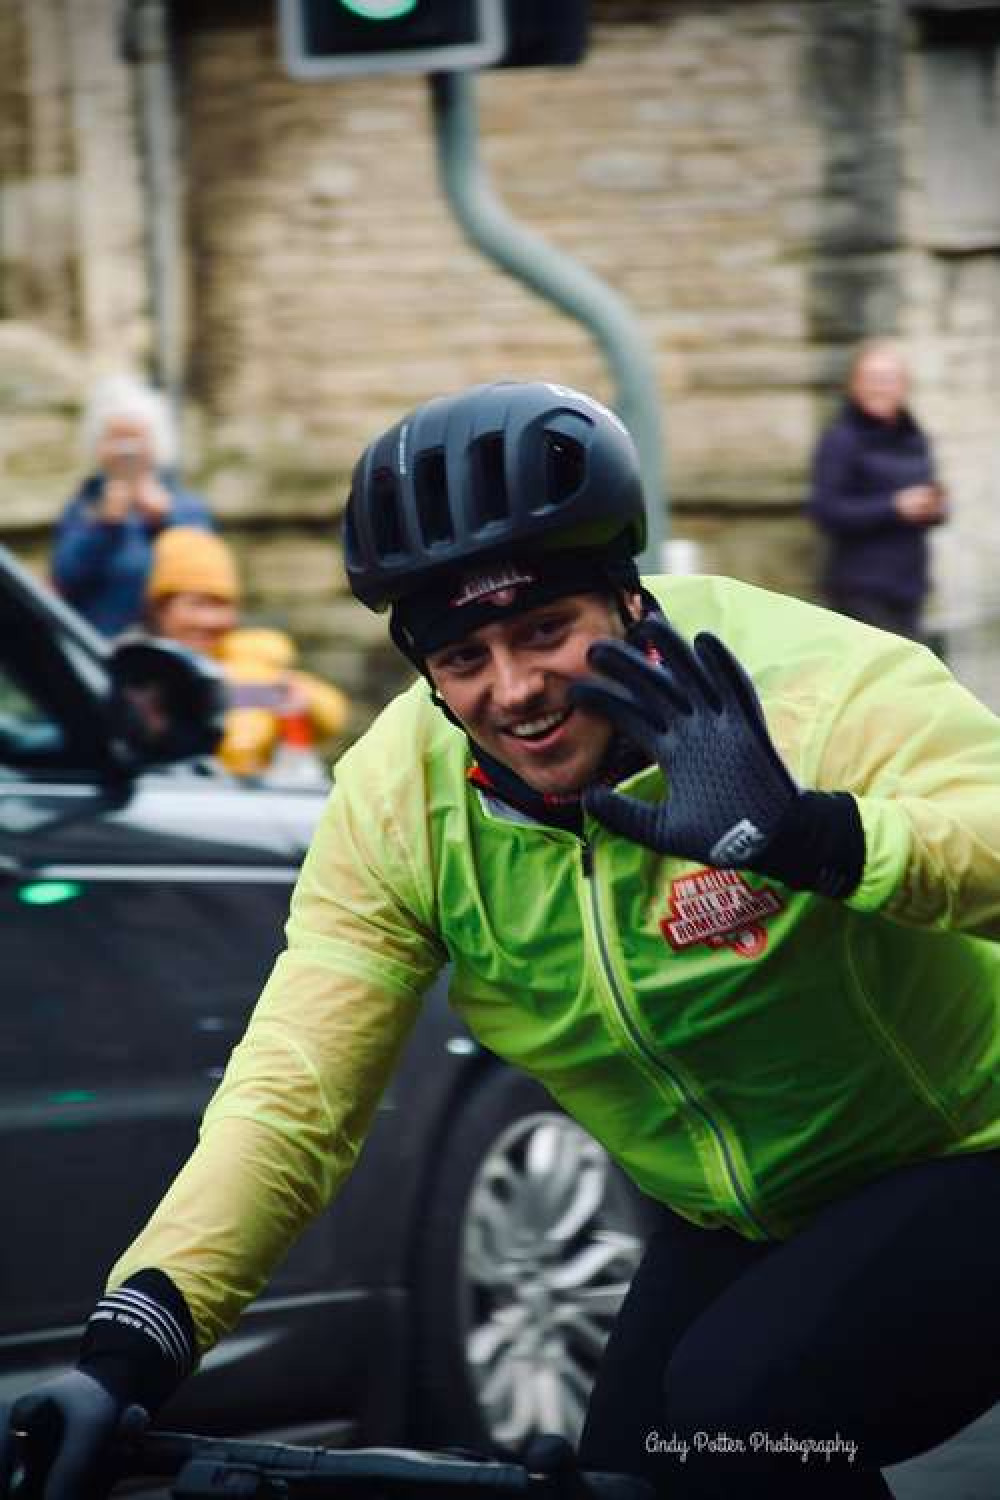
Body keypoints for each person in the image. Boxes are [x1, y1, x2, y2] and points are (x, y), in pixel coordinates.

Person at [3, 380, 999, 1500]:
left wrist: (827, 840)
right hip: (741, 1210)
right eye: (462, 657)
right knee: (638, 1470)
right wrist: (130, 1348)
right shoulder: (399, 803)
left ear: (624, 600)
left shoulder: (805, 686)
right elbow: (294, 1093)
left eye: (543, 631)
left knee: (745, 1414)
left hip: (969, 1144)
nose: (515, 691)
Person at [142, 526, 350, 778]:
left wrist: (299, 698)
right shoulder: (133, 664)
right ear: (159, 609)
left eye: (222, 605)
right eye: (196, 605)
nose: (210, 621)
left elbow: (331, 715)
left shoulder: (252, 658)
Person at [51, 373, 214, 636]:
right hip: (102, 647)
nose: (127, 452)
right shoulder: (83, 509)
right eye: (116, 440)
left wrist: (165, 522)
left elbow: (208, 579)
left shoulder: (184, 507)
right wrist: (104, 526)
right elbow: (66, 578)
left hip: (170, 649)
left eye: (136, 440)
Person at [808, 338, 948, 639]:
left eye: (889, 379)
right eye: (872, 379)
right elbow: (825, 510)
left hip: (909, 584)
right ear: (854, 386)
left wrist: (934, 507)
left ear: (904, 386)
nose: (880, 387)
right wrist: (894, 507)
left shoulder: (914, 436)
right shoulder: (840, 440)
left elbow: (931, 494)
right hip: (861, 589)